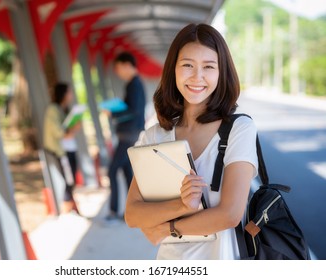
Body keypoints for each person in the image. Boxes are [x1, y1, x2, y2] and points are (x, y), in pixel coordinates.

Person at [124, 23, 258, 259]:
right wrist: (181, 206)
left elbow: (229, 214)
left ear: (221, 72)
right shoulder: (155, 135)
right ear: (173, 69)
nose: (197, 77)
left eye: (208, 66)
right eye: (187, 65)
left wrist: (166, 227)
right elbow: (133, 214)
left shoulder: (239, 129)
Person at [105, 51, 147, 222]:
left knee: (112, 170)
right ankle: (134, 211)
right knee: (126, 172)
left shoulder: (134, 84)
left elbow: (134, 110)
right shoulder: (134, 83)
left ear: (127, 65)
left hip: (129, 134)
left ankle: (115, 211)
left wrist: (113, 113)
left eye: (118, 68)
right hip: (130, 133)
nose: (117, 72)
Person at [43, 82, 81, 214]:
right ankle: (68, 208)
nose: (71, 95)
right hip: (61, 151)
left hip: (69, 149)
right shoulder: (53, 109)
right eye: (69, 92)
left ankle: (72, 206)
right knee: (68, 179)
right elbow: (59, 132)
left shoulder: (63, 108)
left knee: (71, 178)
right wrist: (71, 130)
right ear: (63, 94)